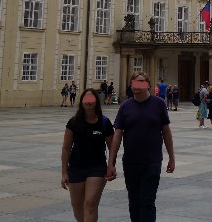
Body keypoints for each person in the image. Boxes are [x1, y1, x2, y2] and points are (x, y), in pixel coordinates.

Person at [107, 72, 175, 222]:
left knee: (147, 201)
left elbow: (166, 131)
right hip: (131, 162)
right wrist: (111, 162)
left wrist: (172, 157)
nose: (136, 86)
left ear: (148, 85)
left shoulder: (158, 104)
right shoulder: (125, 106)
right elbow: (117, 135)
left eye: (141, 82)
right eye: (134, 83)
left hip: (152, 161)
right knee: (134, 201)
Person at [61, 88, 114, 222]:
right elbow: (66, 148)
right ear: (81, 102)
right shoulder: (73, 123)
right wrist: (64, 172)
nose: (89, 102)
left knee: (90, 203)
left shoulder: (104, 122)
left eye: (92, 99)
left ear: (96, 102)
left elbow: (112, 147)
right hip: (76, 168)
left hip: (97, 168)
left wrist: (111, 166)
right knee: (77, 206)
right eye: (86, 99)